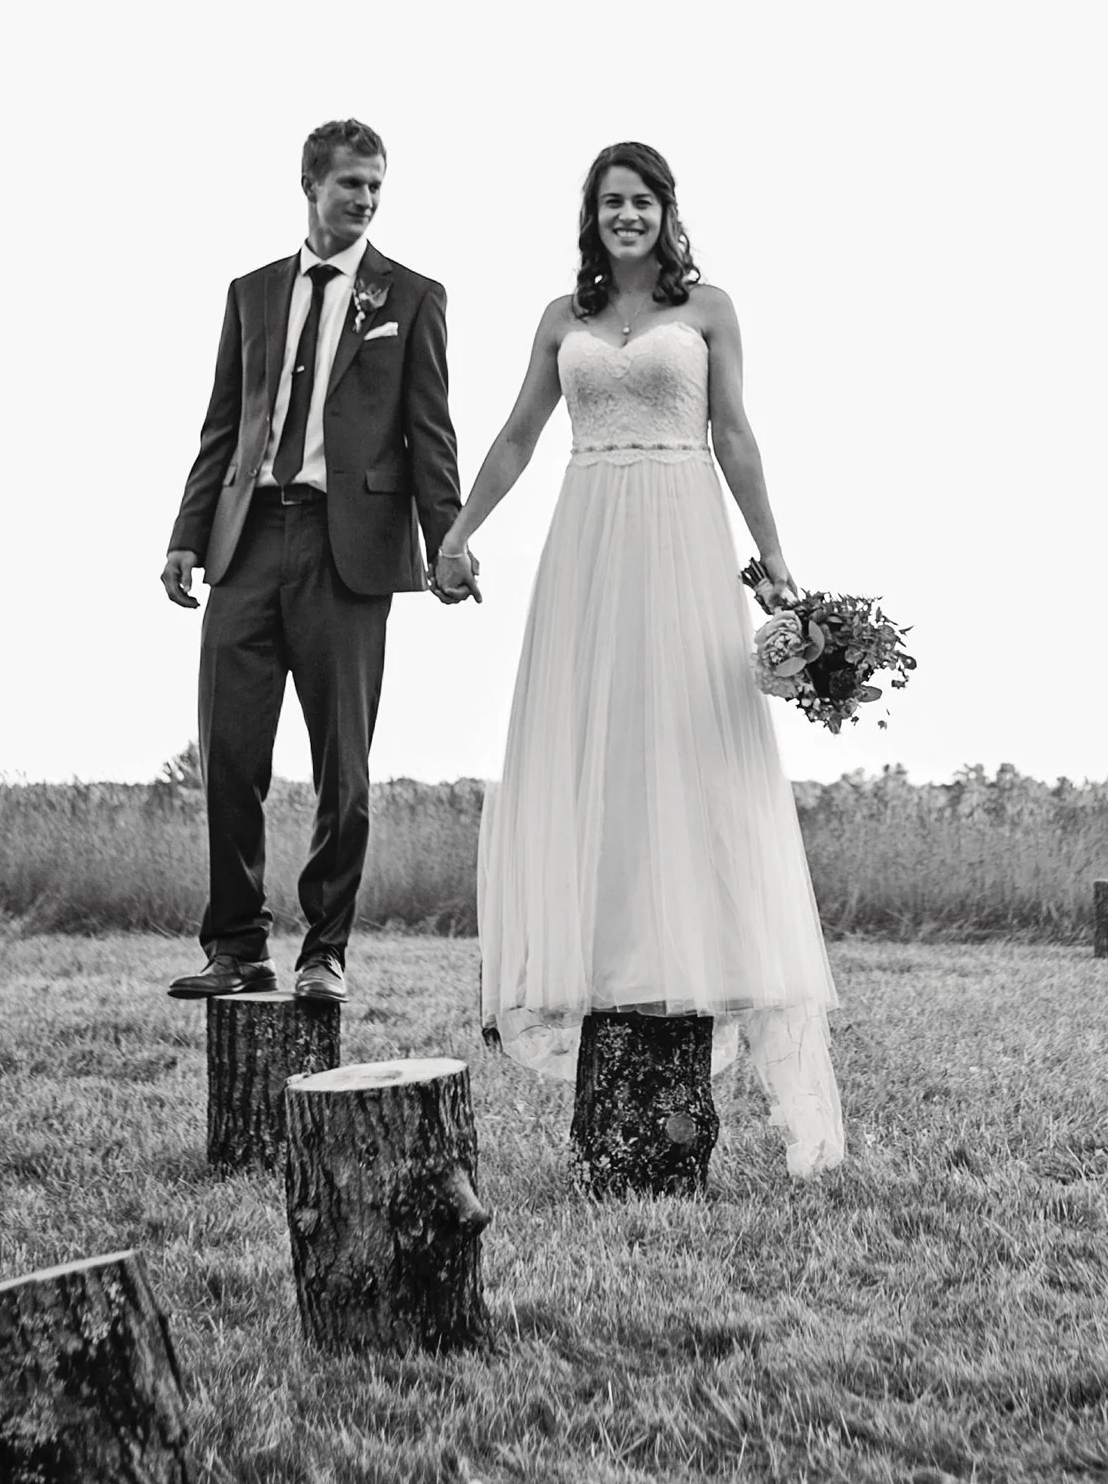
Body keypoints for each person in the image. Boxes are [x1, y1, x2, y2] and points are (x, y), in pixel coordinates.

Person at [437, 142, 845, 1179]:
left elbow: (737, 433)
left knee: (686, 732)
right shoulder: (557, 318)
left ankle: (696, 950)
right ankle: (611, 948)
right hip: (587, 532)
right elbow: (519, 434)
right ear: (592, 216)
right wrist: (458, 530)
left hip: (681, 527)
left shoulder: (707, 309)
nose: (627, 215)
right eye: (611, 202)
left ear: (668, 212)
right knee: (600, 734)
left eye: (643, 200)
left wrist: (775, 555)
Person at [161, 119, 463, 1004]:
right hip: (247, 542)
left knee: (344, 764)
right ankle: (236, 946)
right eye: (350, 184)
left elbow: (431, 433)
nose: (365, 199)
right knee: (227, 752)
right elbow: (224, 424)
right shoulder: (250, 293)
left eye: (375, 186)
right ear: (310, 183)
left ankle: (325, 951)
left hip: (351, 553)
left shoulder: (412, 295)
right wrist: (186, 533)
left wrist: (446, 539)